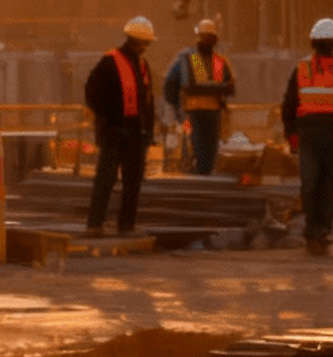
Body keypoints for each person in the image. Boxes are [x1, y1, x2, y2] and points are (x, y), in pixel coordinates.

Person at [281, 16, 333, 254]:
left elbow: (288, 104)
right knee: (327, 182)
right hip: (332, 132)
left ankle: (315, 227)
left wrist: (291, 133)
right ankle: (321, 228)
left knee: (311, 180)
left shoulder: (302, 68)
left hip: (309, 131)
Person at [84, 16, 156, 235]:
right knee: (105, 179)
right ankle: (95, 225)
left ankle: (126, 225)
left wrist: (149, 130)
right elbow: (92, 93)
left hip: (136, 132)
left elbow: (148, 101)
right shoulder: (110, 61)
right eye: (144, 43)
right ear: (134, 41)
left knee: (133, 182)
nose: (145, 47)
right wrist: (106, 118)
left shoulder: (143, 66)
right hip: (115, 131)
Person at [168, 19, 235, 177]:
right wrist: (218, 89)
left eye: (207, 37)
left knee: (205, 145)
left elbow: (229, 87)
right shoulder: (200, 60)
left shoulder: (214, 60)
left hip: (204, 109)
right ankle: (202, 171)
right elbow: (192, 86)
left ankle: (202, 172)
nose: (206, 41)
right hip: (199, 110)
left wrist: (177, 105)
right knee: (202, 144)